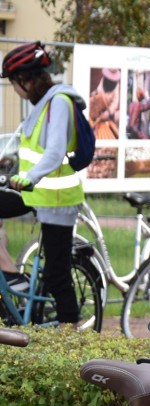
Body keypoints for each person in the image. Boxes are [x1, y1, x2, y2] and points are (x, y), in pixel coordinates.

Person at [3, 41, 88, 325]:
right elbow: (32, 154)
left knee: (57, 275)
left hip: (56, 200)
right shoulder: (42, 105)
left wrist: (29, 177)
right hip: (35, 194)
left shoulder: (59, 103)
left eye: (14, 84)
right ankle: (13, 278)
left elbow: (53, 153)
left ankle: (71, 335)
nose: (15, 91)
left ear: (26, 80)